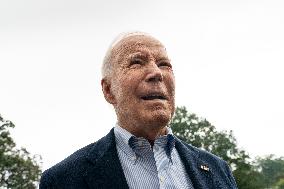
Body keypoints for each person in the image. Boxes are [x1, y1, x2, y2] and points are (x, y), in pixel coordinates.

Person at [39, 32, 238, 189]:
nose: (156, 73)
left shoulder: (218, 170)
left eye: (164, 64)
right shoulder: (63, 180)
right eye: (136, 62)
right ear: (109, 91)